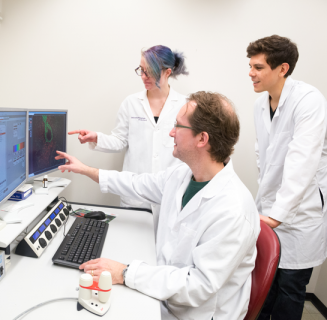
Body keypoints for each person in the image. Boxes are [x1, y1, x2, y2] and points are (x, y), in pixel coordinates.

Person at [56, 91, 260, 320]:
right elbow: (136, 183)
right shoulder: (184, 175)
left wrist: (124, 272)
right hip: (164, 292)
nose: (171, 132)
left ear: (202, 139)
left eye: (178, 126)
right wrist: (85, 169)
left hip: (194, 313)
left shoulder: (233, 209)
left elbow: (198, 286)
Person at [247, 35, 327, 320]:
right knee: (264, 287)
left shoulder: (309, 100)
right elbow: (263, 155)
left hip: (301, 213)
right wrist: (269, 210)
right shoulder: (260, 105)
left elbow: (301, 161)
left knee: (290, 290)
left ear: (282, 68)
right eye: (251, 66)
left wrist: (277, 214)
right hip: (271, 209)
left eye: (258, 67)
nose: (250, 73)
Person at [69, 45, 189, 215]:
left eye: (150, 72)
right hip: (135, 196)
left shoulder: (185, 105)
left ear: (167, 73)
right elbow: (120, 140)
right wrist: (96, 137)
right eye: (142, 70)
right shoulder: (131, 103)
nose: (144, 77)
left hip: (170, 194)